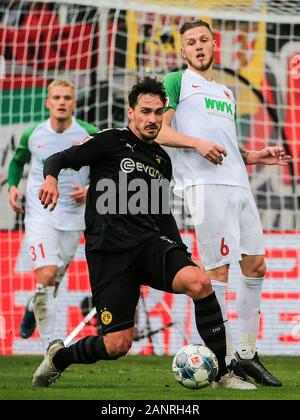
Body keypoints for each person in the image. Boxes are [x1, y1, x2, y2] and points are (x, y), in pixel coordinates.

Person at [31, 77, 255, 389]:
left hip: (149, 244)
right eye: (145, 111)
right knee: (117, 345)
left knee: (200, 282)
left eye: (158, 112)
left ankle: (222, 375)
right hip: (110, 253)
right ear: (131, 113)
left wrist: (184, 255)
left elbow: (162, 215)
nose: (152, 119)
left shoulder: (162, 159)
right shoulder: (109, 140)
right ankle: (59, 358)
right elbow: (60, 158)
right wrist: (51, 178)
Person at [157, 20, 290, 387]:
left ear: (214, 45)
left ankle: (246, 354)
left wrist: (256, 155)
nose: (198, 46)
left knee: (257, 266)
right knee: (218, 273)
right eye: (190, 43)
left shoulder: (227, 92)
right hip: (204, 188)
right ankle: (221, 366)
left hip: (238, 186)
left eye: (203, 40)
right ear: (182, 52)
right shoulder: (176, 82)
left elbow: (227, 149)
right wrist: (196, 144)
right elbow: (160, 132)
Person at [8, 79, 98, 349]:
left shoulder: (90, 133)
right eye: (56, 97)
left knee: (52, 282)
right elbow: (17, 161)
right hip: (40, 213)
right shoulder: (33, 134)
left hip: (74, 217)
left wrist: (92, 188)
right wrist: (13, 186)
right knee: (46, 274)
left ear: (74, 103)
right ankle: (51, 347)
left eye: (67, 98)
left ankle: (32, 304)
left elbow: (109, 168)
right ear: (47, 102)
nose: (61, 102)